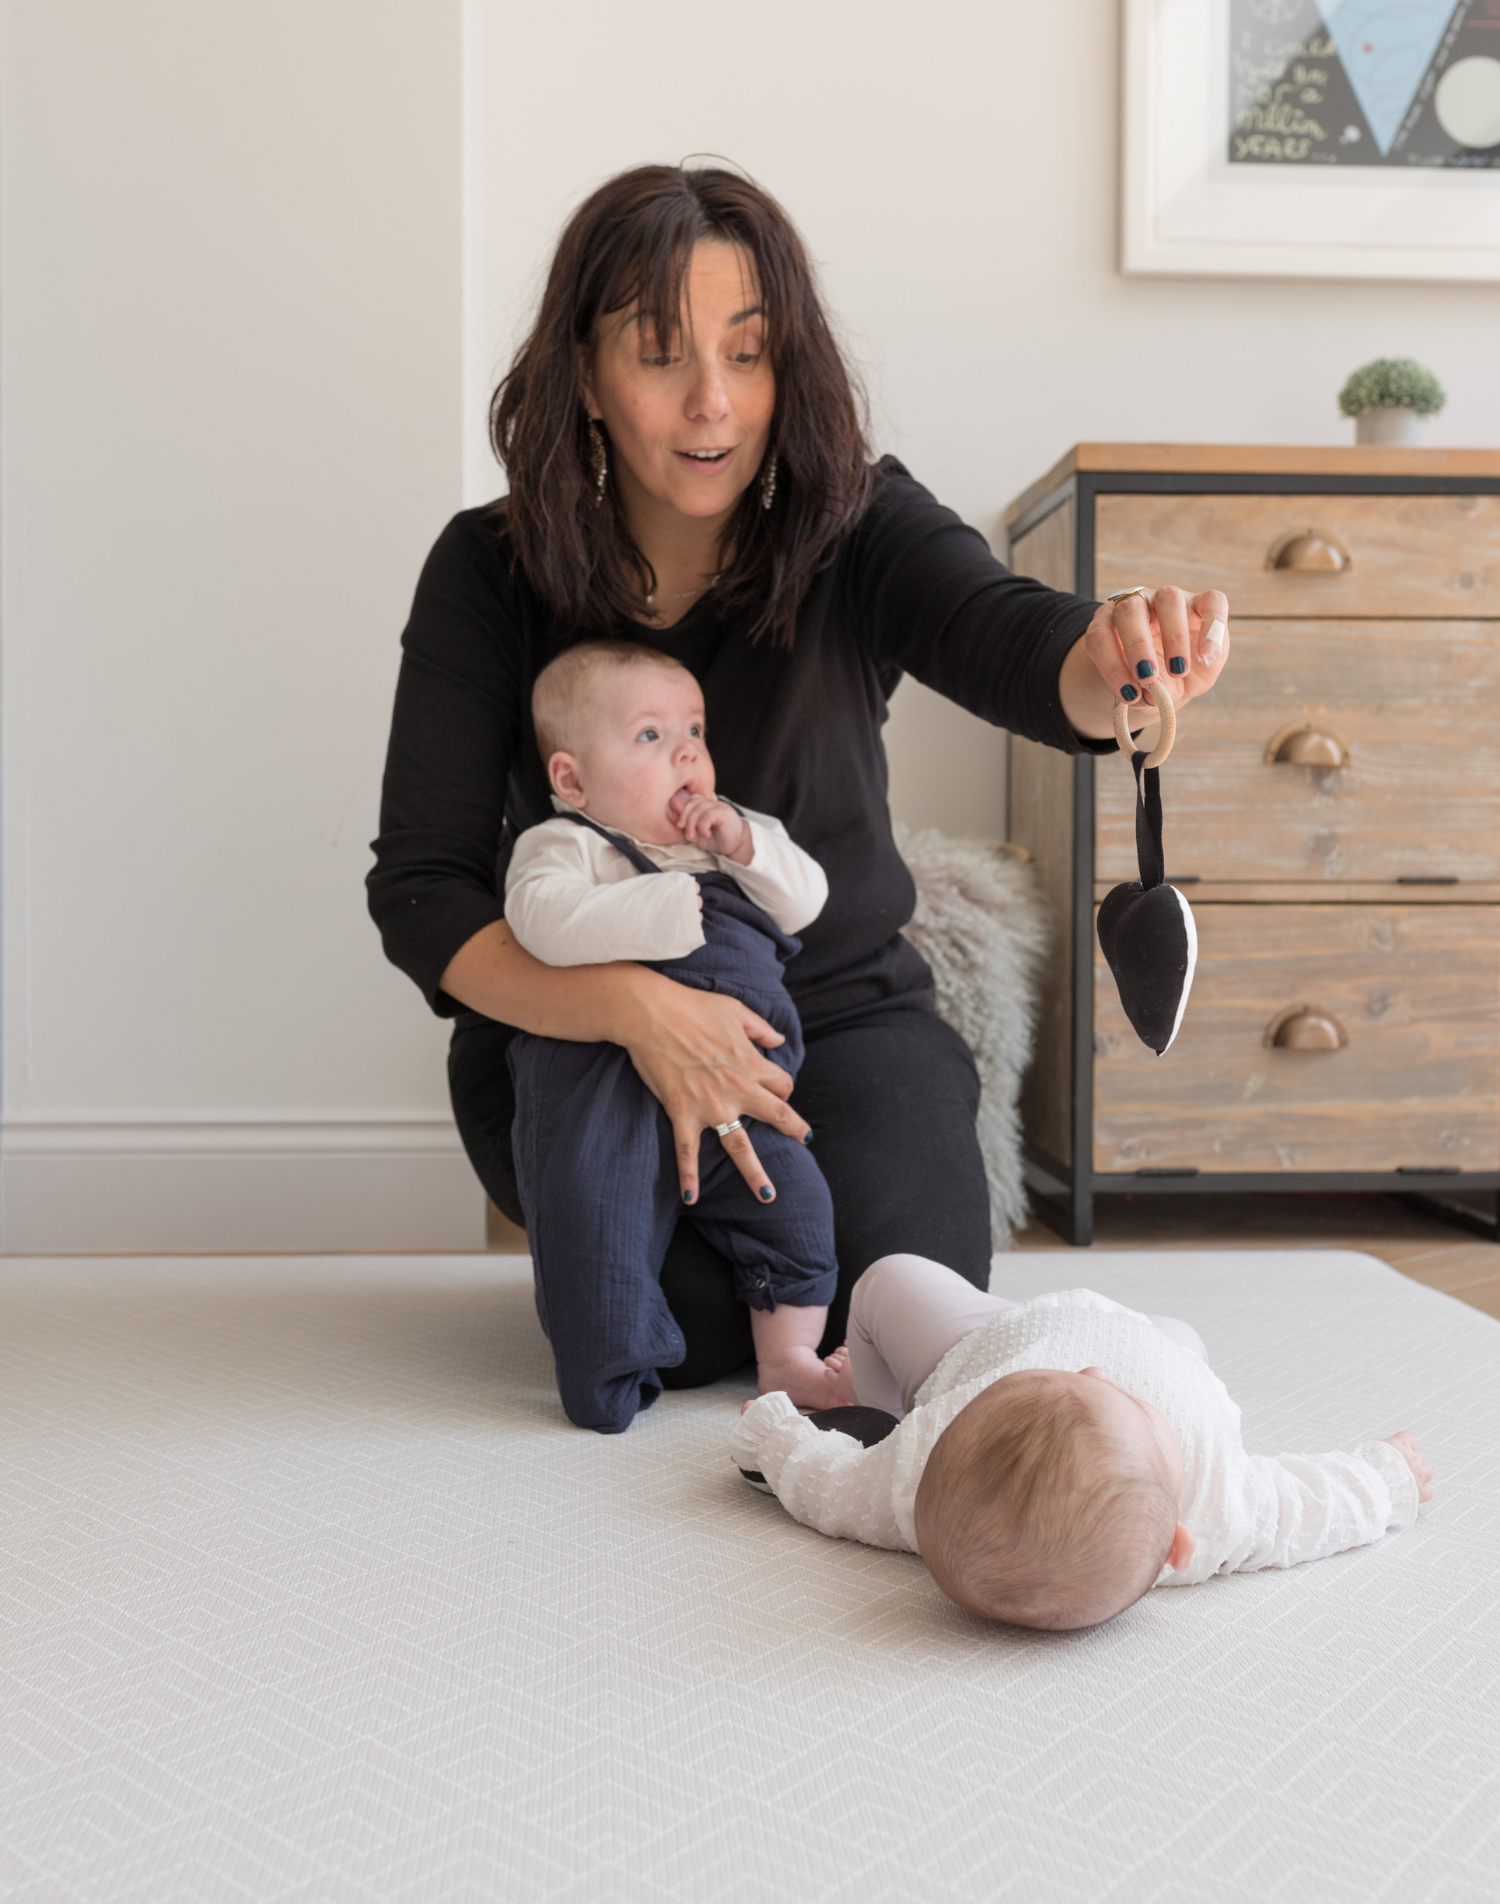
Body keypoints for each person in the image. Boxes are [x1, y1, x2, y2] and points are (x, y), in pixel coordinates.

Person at [366, 162, 1231, 1388]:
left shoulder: (857, 524)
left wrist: (1117, 659)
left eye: (750, 351)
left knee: (899, 1289)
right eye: (661, 353)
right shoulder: (484, 571)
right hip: (578, 1038)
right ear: (585, 373)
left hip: (837, 1017)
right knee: (687, 1323)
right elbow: (424, 890)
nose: (713, 402)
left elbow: (1015, 637)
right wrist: (639, 1012)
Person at [504, 639, 848, 1431]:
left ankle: (787, 1361)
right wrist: (663, 907)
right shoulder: (567, 845)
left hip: (740, 1087)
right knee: (595, 1219)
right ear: (572, 779)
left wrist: (743, 844)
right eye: (650, 735)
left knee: (796, 1207)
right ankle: (604, 1371)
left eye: (693, 729)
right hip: (608, 1085)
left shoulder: (731, 839)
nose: (687, 749)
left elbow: (806, 901)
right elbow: (541, 924)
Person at [731, 1254, 1437, 1631]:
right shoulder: (1218, 1502)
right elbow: (1304, 1507)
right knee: (1186, 1339)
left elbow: (825, 1484)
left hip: (986, 1341)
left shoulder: (915, 1476)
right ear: (1179, 1546)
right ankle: (1170, 1353)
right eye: (1123, 1400)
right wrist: (1387, 1480)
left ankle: (879, 1403)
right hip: (1157, 1342)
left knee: (888, 1280)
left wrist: (774, 1432)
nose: (1093, 1373)